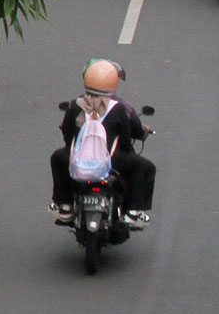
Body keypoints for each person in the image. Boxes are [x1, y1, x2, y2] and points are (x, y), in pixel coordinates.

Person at [49, 59, 156, 229]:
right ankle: (133, 213)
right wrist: (128, 153)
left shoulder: (75, 105)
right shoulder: (119, 107)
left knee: (57, 157)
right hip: (112, 161)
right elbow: (127, 140)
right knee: (146, 167)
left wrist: (73, 152)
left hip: (78, 161)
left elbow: (68, 134)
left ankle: (65, 206)